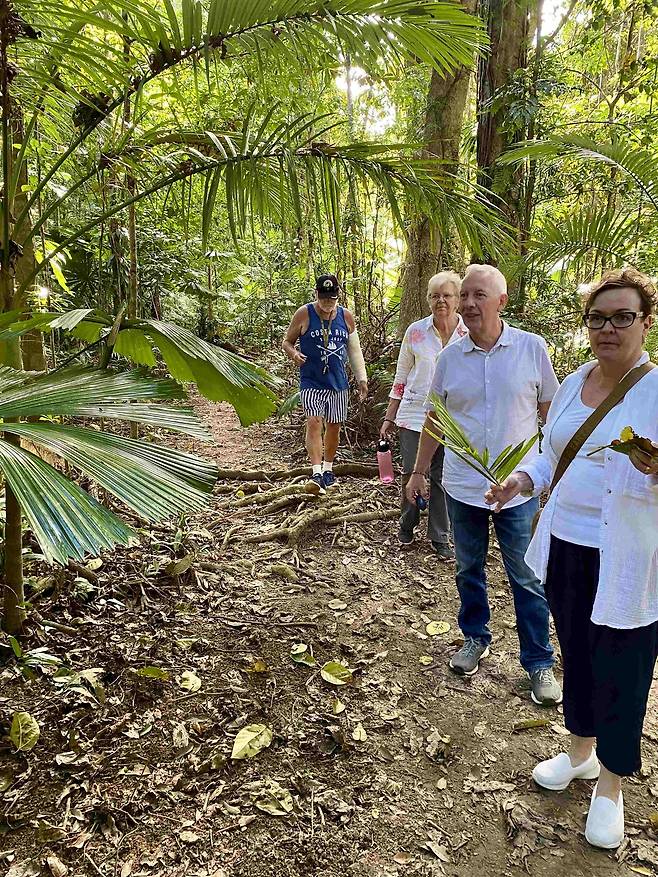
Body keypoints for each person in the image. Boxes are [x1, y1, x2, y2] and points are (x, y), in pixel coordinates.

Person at [485, 268, 658, 850]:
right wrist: (521, 481)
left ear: (645, 322)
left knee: (623, 666)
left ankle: (611, 785)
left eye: (623, 317)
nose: (609, 328)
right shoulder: (575, 381)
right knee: (577, 654)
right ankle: (581, 752)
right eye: (598, 318)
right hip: (566, 544)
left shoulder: (655, 390)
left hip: (627, 557)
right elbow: (548, 450)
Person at [405, 264, 563, 706]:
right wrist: (418, 472)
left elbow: (551, 414)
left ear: (501, 302)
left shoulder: (531, 348)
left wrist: (555, 474)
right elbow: (435, 419)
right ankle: (475, 637)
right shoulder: (450, 358)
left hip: (518, 488)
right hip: (462, 485)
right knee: (467, 568)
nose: (469, 303)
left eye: (479, 295)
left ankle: (539, 661)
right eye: (465, 295)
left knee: (526, 576)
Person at [380, 271, 468, 560]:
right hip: (415, 414)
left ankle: (440, 535)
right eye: (435, 296)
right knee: (412, 471)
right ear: (428, 299)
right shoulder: (416, 332)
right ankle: (407, 523)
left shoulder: (469, 333)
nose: (441, 301)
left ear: (457, 299)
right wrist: (389, 417)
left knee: (442, 476)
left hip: (453, 418)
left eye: (447, 295)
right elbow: (401, 376)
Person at [282, 274, 368, 493]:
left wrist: (362, 378)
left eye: (332, 298)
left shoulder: (346, 316)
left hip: (338, 383)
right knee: (314, 422)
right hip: (311, 380)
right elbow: (287, 342)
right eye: (324, 298)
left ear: (337, 296)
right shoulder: (304, 313)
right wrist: (294, 354)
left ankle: (328, 469)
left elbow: (354, 350)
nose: (328, 302)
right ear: (316, 294)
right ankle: (316, 472)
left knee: (334, 426)